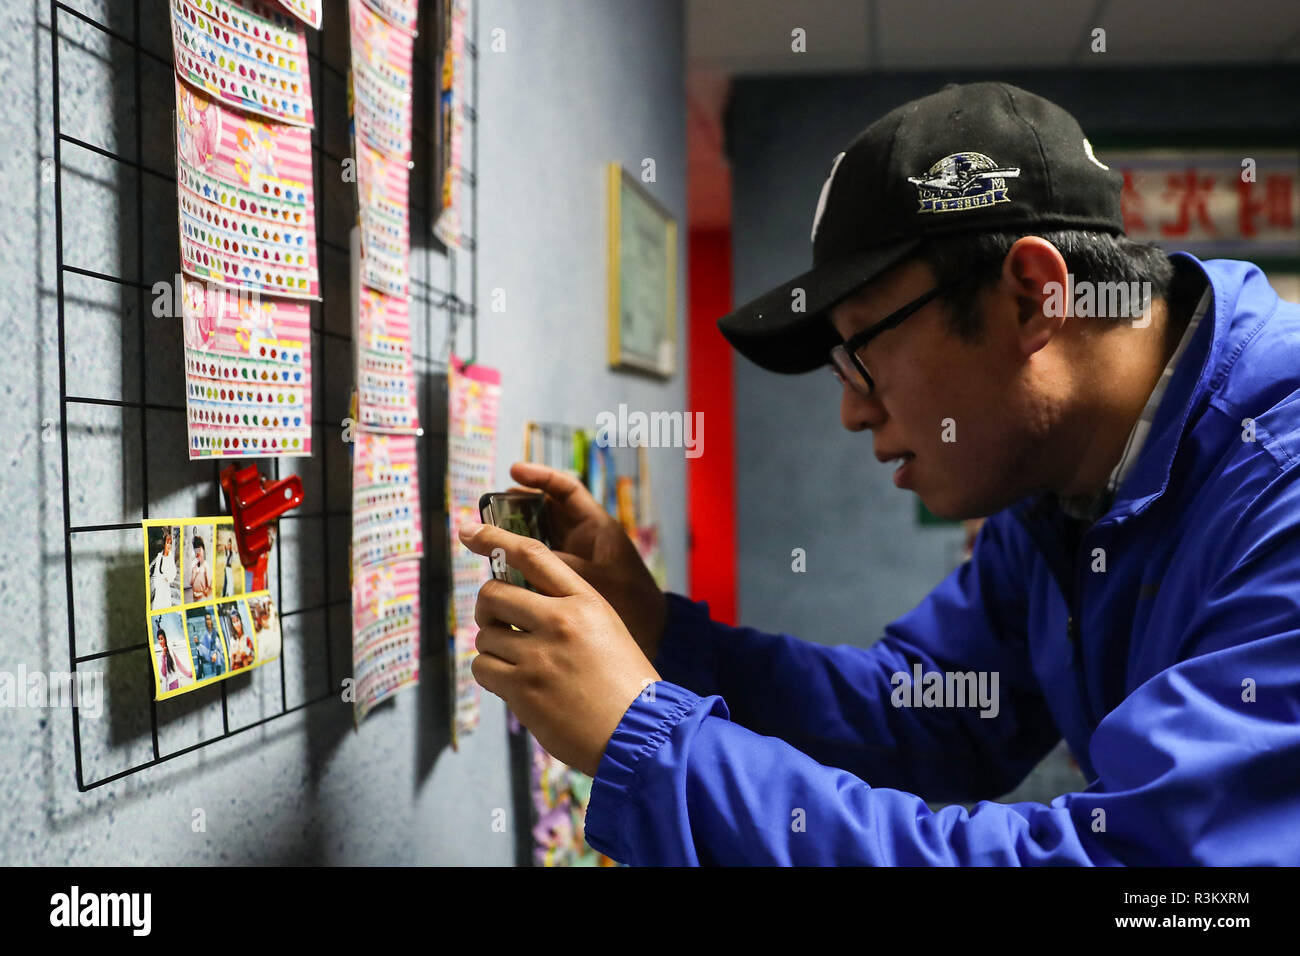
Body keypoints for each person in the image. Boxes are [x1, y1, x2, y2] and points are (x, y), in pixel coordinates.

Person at [458, 82, 1300, 865]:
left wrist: (649, 745)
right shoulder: (1059, 475)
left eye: (860, 355)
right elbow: (924, 717)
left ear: (1033, 298)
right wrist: (654, 633)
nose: (853, 412)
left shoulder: (1280, 487)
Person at [191, 612, 224, 681]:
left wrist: (214, 652)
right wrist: (197, 643)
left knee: (217, 654)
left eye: (209, 619)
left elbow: (218, 645)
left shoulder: (215, 632)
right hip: (209, 654)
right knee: (199, 648)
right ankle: (200, 673)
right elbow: (203, 644)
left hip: (215, 654)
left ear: (211, 620)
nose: (208, 621)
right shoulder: (206, 633)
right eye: (206, 619)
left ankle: (218, 672)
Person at [149, 529, 177, 610]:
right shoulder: (159, 555)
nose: (169, 546)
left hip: (165, 585)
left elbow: (173, 571)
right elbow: (155, 570)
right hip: (158, 584)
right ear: (164, 543)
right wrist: (155, 581)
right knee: (156, 604)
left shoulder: (170, 556)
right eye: (167, 543)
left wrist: (168, 578)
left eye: (170, 544)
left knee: (165, 604)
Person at [189, 534, 211, 602]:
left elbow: (210, 586)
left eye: (200, 550)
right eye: (196, 550)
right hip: (195, 597)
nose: (198, 553)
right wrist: (194, 572)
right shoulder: (194, 566)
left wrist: (204, 593)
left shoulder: (206, 566)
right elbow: (191, 583)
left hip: (202, 598)